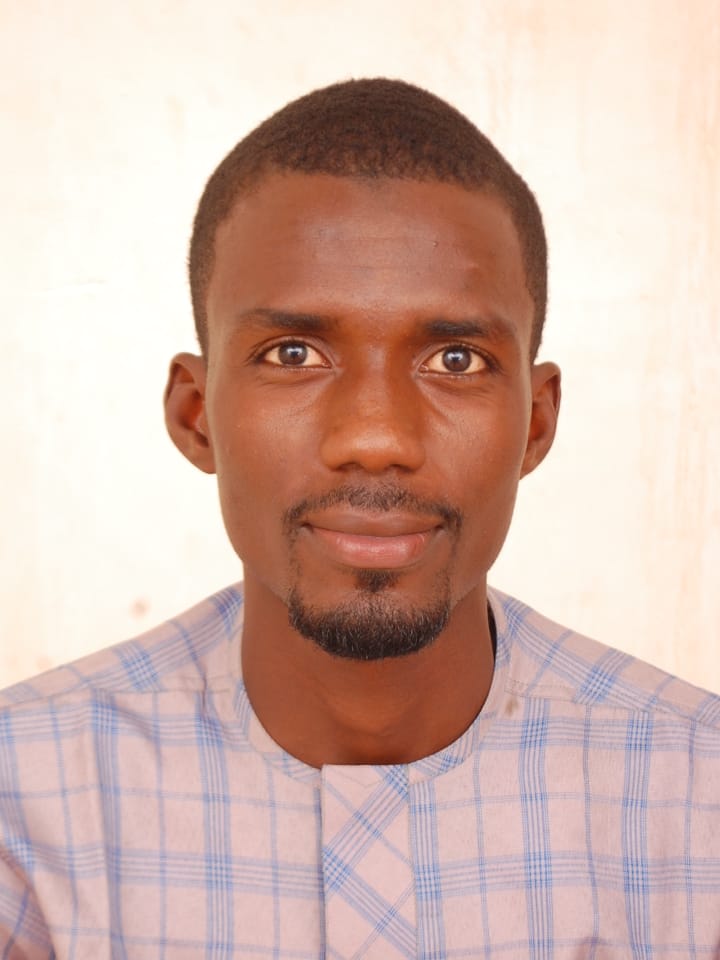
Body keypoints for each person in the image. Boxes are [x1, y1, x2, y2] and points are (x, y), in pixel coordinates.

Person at [1, 78, 718, 958]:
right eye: (292, 353)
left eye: (456, 360)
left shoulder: (701, 802)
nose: (376, 438)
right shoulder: (23, 807)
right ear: (196, 415)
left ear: (535, 423)